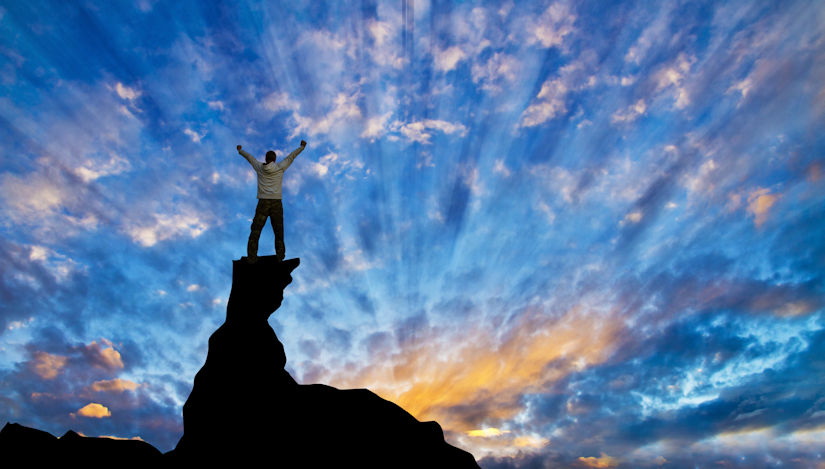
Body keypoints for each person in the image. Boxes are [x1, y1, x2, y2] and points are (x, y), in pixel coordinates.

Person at [237, 140, 306, 262]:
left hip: (263, 203)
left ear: (266, 159)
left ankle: (251, 258)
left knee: (256, 230)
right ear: (274, 160)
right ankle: (280, 256)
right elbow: (291, 157)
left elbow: (249, 158)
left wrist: (240, 150)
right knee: (278, 231)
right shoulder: (280, 167)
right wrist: (302, 147)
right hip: (276, 203)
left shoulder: (259, 167)